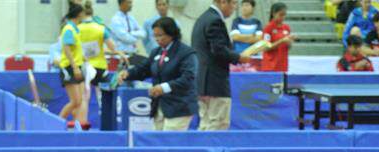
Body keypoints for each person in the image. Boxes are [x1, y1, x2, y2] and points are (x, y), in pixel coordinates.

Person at [117, 17, 197, 131]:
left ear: (171, 34)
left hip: (179, 106)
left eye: (160, 35)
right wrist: (128, 73)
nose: (157, 39)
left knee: (170, 140)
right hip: (159, 106)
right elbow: (143, 69)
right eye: (155, 35)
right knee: (157, 140)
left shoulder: (186, 53)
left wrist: (163, 88)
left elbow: (188, 78)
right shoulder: (156, 52)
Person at [191, 0, 250, 131]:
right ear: (223, 2)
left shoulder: (202, 18)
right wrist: (239, 57)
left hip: (202, 80)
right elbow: (218, 50)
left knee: (205, 124)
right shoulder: (215, 20)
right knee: (218, 124)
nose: (234, 8)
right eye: (233, 3)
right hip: (215, 82)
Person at [78, 1, 127, 129]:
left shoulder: (77, 28)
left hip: (83, 67)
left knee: (84, 98)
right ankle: (107, 125)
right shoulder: (101, 28)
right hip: (99, 67)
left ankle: (82, 126)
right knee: (103, 97)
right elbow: (112, 47)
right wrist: (119, 53)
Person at [57, 3, 86, 129]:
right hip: (69, 68)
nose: (84, 15)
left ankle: (75, 126)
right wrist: (74, 67)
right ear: (79, 14)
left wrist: (83, 58)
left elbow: (75, 49)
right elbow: (67, 49)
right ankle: (57, 123)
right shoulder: (69, 29)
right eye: (83, 13)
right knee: (75, 101)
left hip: (77, 66)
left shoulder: (76, 29)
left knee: (79, 102)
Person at [261, 2, 296, 72]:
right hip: (270, 66)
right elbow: (265, 48)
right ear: (273, 14)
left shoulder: (286, 28)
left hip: (283, 66)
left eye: (284, 15)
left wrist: (289, 42)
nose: (283, 17)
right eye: (281, 15)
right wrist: (282, 41)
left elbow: (288, 47)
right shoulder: (268, 28)